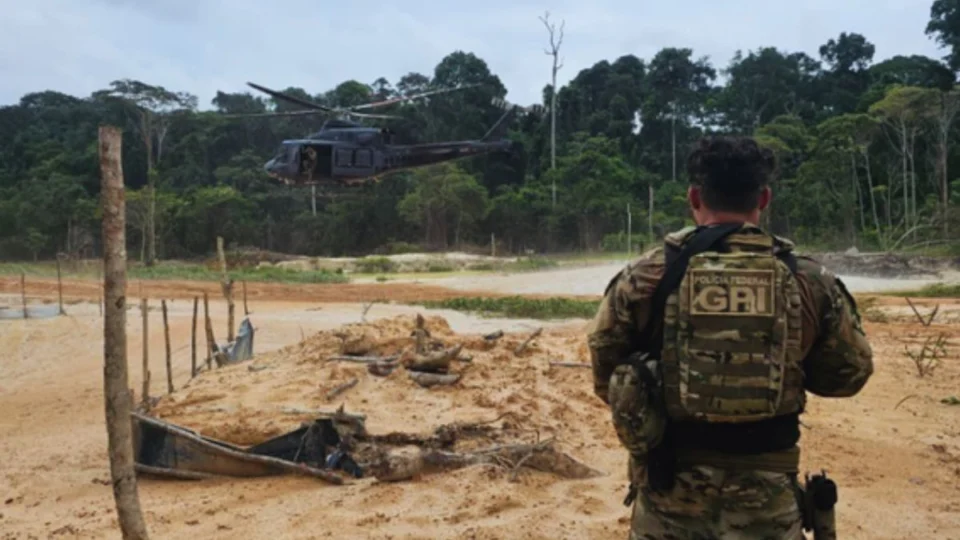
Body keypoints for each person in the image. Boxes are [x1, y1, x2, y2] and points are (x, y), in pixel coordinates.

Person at [587, 135, 874, 539]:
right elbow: (848, 377)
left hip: (669, 496)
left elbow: (605, 372)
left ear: (694, 196)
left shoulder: (645, 276)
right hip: (767, 501)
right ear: (764, 198)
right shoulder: (809, 279)